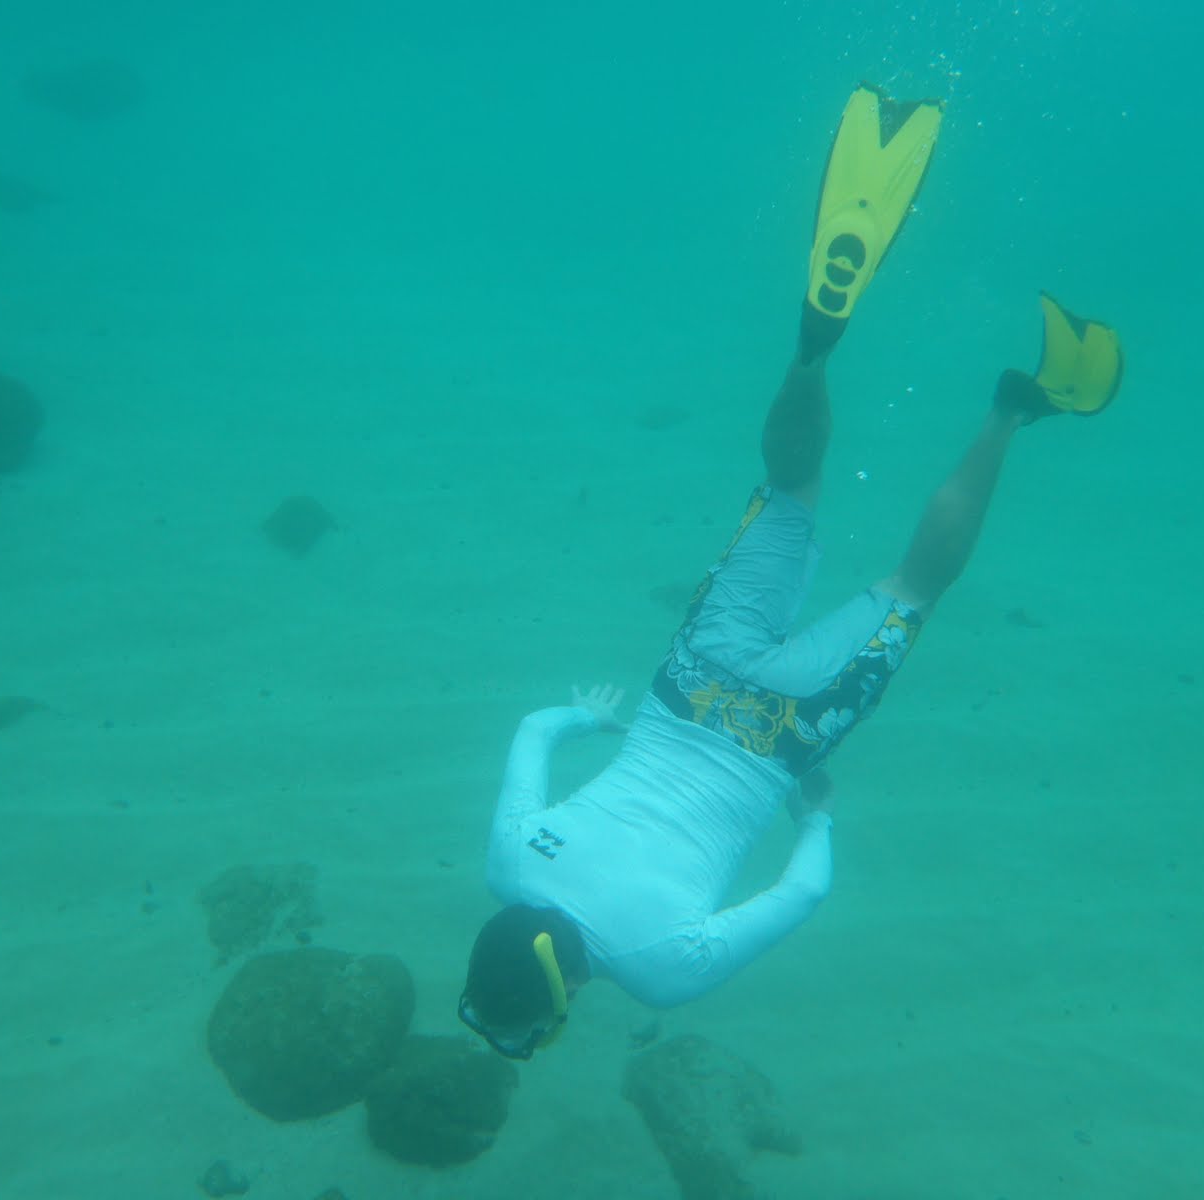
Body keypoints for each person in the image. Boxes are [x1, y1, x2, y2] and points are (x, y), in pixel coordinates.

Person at [457, 83, 1123, 1061]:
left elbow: (803, 892)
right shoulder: (507, 864)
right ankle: (815, 345)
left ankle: (1015, 409)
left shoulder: (660, 972)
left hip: (783, 741)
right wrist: (589, 719)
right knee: (791, 486)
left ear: (561, 1002)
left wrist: (816, 819)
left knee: (914, 586)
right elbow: (531, 729)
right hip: (687, 686)